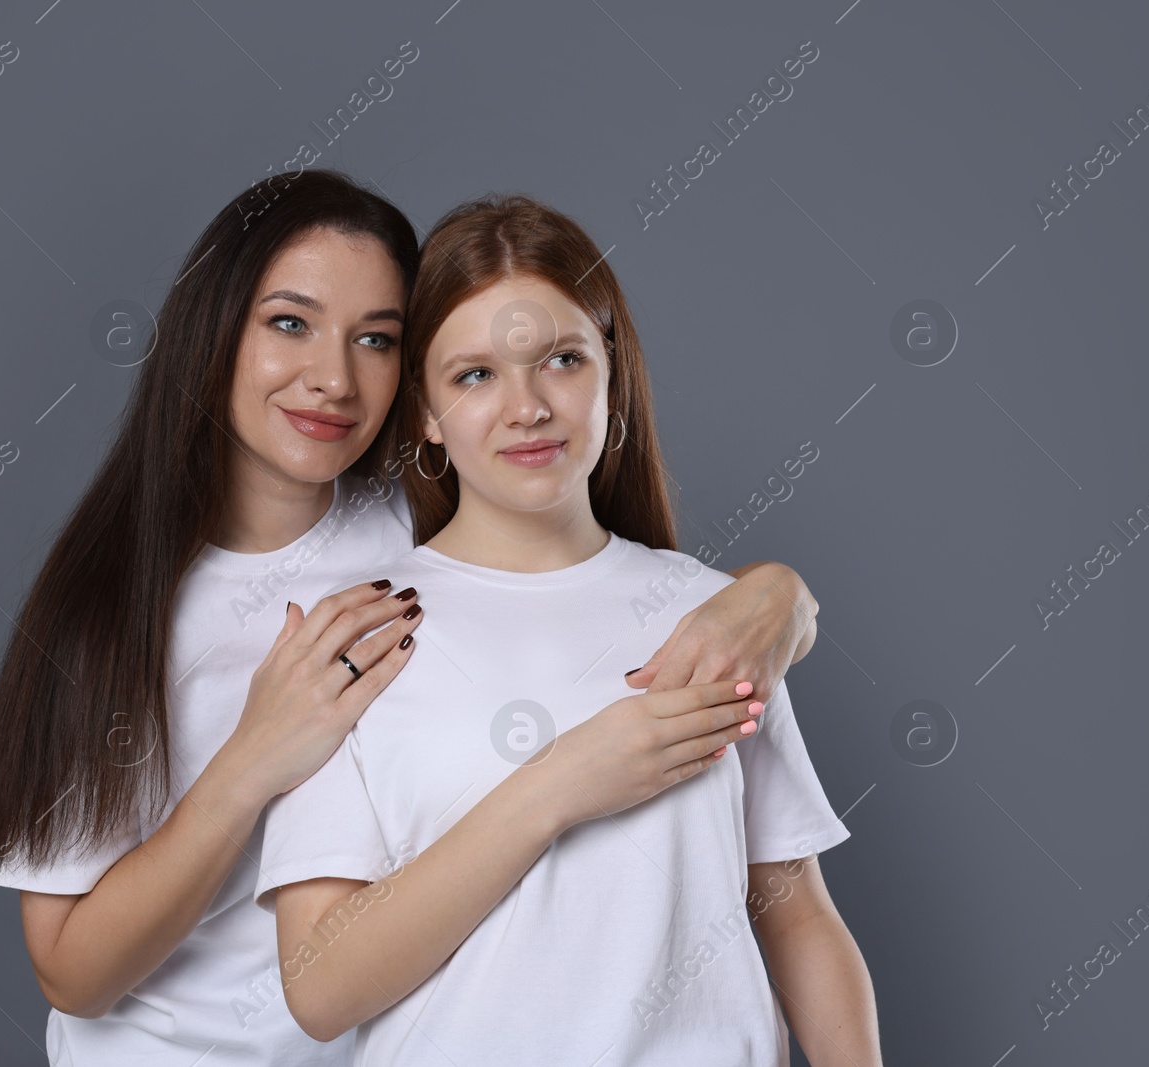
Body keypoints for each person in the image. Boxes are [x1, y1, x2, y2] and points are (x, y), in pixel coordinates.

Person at [0, 170, 824, 1066]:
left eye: (375, 339)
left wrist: (779, 592)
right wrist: (252, 761)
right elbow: (72, 974)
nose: (332, 378)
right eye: (288, 323)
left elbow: (598, 579)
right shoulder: (116, 605)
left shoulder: (416, 524)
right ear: (211, 331)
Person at [259, 193, 881, 1066]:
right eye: (474, 375)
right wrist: (557, 785)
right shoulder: (365, 628)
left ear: (610, 373)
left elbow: (799, 914)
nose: (527, 407)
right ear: (427, 415)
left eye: (560, 359)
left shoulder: (714, 617)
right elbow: (320, 990)